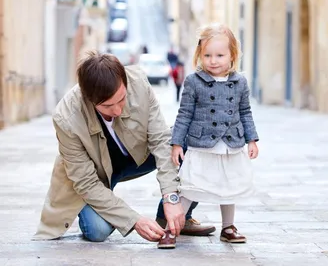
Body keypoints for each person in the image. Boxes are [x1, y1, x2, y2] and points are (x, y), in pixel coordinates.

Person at [33, 51, 215, 242]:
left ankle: (175, 216)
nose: (118, 110)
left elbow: (161, 142)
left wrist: (171, 197)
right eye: (108, 106)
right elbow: (86, 182)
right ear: (90, 99)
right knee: (97, 231)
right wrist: (134, 220)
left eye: (122, 99)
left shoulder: (138, 84)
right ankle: (98, 210)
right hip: (97, 174)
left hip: (138, 155)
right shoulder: (66, 118)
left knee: (193, 141)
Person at [158, 23, 259, 249]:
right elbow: (184, 114)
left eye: (220, 55)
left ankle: (228, 227)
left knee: (229, 187)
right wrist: (176, 144)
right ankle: (171, 228)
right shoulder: (194, 81)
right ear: (199, 55)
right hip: (202, 144)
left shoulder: (240, 82)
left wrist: (252, 139)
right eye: (207, 55)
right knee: (191, 185)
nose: (213, 60)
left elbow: (245, 112)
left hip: (230, 143)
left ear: (232, 55)